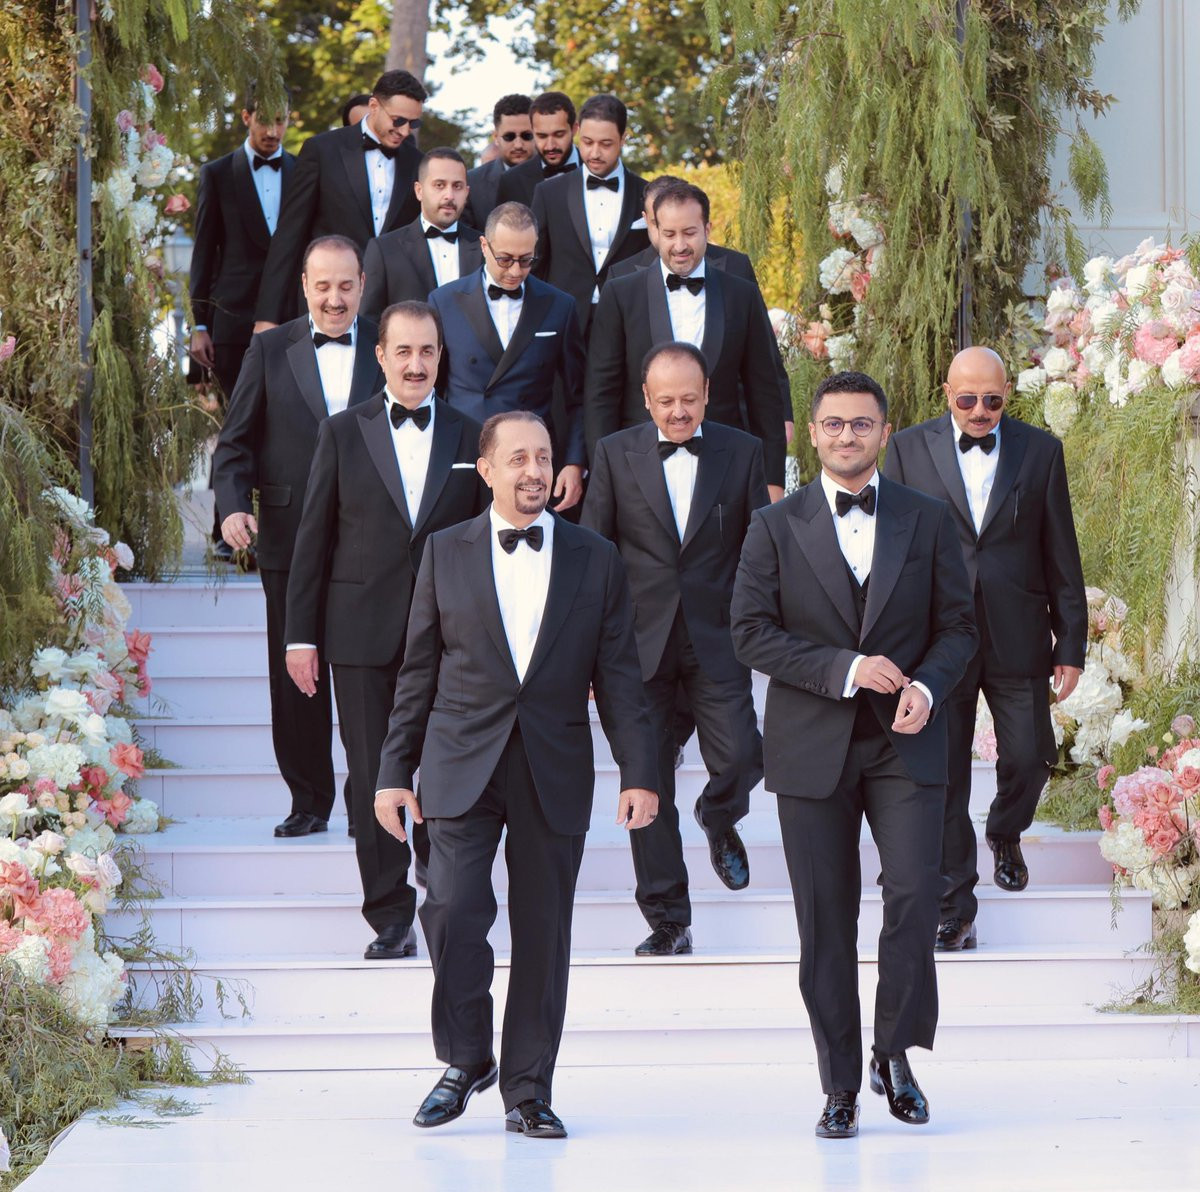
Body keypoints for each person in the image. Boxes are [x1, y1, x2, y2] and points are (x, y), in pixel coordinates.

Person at [374, 410, 659, 1138]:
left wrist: (639, 771)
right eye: (519, 459)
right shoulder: (445, 551)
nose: (534, 471)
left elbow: (620, 675)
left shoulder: (596, 557)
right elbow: (417, 670)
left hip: (552, 764)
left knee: (543, 932)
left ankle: (528, 1089)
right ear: (487, 470)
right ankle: (467, 1056)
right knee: (451, 908)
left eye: (544, 457)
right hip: (459, 759)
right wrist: (393, 770)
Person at [731, 370, 976, 1138]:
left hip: (907, 743)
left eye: (861, 424)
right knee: (826, 921)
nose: (847, 436)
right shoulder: (774, 525)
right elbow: (749, 632)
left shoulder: (927, 519)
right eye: (833, 424)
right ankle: (839, 1085)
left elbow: (959, 627)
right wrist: (845, 668)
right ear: (812, 434)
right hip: (812, 747)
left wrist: (928, 687)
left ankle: (893, 1052)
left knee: (915, 895)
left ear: (884, 432)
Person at [283, 301, 487, 959]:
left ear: (440, 356)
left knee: (444, 765)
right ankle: (390, 916)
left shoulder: (470, 435)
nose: (416, 364)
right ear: (381, 356)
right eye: (403, 351)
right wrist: (300, 636)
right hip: (360, 633)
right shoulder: (342, 433)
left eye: (427, 351)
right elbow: (313, 539)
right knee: (373, 772)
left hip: (451, 637)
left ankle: (440, 878)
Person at [882, 345, 1086, 950]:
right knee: (944, 774)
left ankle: (1004, 830)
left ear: (1007, 396)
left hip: (1017, 630)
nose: (979, 411)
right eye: (968, 399)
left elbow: (1062, 551)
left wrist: (1070, 643)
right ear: (947, 394)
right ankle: (956, 907)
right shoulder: (907, 449)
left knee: (1031, 754)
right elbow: (892, 549)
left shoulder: (1041, 451)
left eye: (992, 400)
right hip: (938, 638)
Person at [583, 342, 768, 956]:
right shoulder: (614, 454)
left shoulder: (742, 452)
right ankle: (668, 918)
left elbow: (756, 551)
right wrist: (588, 652)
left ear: (708, 394)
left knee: (742, 755)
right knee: (646, 781)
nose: (678, 411)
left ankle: (717, 815)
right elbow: (593, 556)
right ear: (646, 399)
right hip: (637, 648)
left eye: (689, 399)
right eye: (665, 401)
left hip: (718, 639)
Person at [213, 235, 382, 839]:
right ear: (305, 286)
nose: (335, 299)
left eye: (346, 286)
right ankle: (309, 800)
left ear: (363, 285)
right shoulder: (269, 348)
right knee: (296, 677)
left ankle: (371, 801)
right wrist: (233, 507)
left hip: (370, 539)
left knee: (367, 677)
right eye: (323, 286)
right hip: (288, 536)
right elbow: (234, 444)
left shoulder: (389, 345)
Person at [586, 180, 787, 497]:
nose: (679, 245)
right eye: (669, 234)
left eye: (689, 233)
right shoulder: (621, 294)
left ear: (707, 229)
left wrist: (773, 480)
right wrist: (604, 476)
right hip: (638, 469)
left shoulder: (741, 295)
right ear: (655, 231)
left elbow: (765, 392)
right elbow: (601, 392)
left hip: (726, 468)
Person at [188, 87, 293, 560]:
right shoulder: (216, 174)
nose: (272, 130)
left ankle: (274, 533)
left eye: (280, 120)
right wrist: (199, 324)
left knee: (282, 428)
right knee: (238, 426)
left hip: (290, 319)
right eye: (264, 120)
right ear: (246, 117)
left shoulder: (302, 171)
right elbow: (203, 252)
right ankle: (225, 533)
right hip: (231, 325)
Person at [429, 201, 586, 511]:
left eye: (526, 260)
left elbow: (578, 395)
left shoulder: (560, 305)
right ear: (484, 246)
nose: (516, 271)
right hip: (465, 457)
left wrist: (574, 462)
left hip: (531, 463)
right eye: (505, 259)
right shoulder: (444, 301)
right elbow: (433, 389)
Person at [254, 69, 427, 329]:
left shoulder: (418, 162)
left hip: (393, 311)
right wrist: (267, 316)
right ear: (374, 106)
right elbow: (289, 234)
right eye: (398, 120)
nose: (404, 131)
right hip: (326, 303)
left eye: (413, 124)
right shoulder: (322, 150)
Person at [529, 93, 648, 337]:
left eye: (606, 144)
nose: (594, 153)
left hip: (628, 320)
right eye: (587, 142)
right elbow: (535, 264)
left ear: (623, 139)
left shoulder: (647, 194)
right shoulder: (549, 193)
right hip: (564, 321)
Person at [361, 148, 483, 320]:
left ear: (467, 193)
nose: (449, 195)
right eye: (439, 185)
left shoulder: (485, 247)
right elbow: (368, 321)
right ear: (419, 191)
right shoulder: (384, 249)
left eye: (457, 186)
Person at [494, 91, 581, 209]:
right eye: (542, 136)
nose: (550, 146)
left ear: (574, 129)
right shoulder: (511, 181)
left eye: (559, 135)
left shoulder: (597, 168)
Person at [463, 94, 533, 229]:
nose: (518, 144)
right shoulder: (472, 183)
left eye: (527, 136)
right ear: (495, 137)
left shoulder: (554, 178)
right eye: (509, 137)